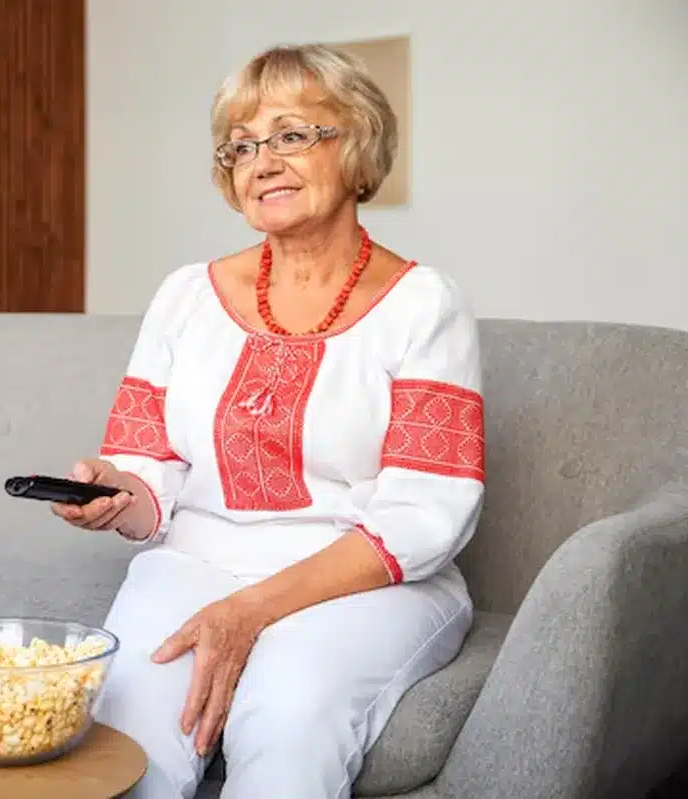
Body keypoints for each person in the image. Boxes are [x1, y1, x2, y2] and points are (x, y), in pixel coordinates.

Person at [51, 43, 485, 798]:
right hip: (194, 561)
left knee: (288, 710)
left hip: (369, 582)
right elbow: (150, 469)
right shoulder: (186, 295)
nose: (262, 160)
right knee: (123, 723)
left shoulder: (424, 305)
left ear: (355, 148)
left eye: (290, 135)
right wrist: (116, 489)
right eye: (242, 146)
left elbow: (426, 516)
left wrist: (250, 610)